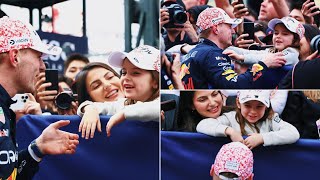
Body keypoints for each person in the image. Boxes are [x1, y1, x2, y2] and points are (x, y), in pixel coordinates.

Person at [0, 16, 79, 179]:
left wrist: (36, 149)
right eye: (38, 57)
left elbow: (8, 174)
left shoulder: (5, 107)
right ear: (15, 57)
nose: (43, 66)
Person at [180, 7, 286, 89]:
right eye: (229, 26)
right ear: (216, 29)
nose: (233, 31)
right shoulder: (212, 53)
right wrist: (263, 64)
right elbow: (235, 85)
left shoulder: (194, 52)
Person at [77, 45, 160, 139]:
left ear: (156, 81)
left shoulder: (161, 101)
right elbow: (94, 106)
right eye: (124, 72)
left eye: (136, 73)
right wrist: (90, 109)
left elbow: (157, 108)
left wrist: (124, 114)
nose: (125, 77)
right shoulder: (123, 104)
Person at [196, 90, 300, 149]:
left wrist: (262, 138)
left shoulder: (271, 119)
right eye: (247, 105)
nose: (253, 111)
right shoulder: (230, 117)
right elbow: (202, 125)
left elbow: (293, 133)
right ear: (238, 103)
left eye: (259, 106)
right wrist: (230, 131)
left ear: (266, 106)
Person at [224, 16, 304, 66]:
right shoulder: (274, 51)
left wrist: (242, 57)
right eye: (276, 33)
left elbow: (264, 58)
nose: (278, 36)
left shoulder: (293, 54)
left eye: (285, 34)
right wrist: (225, 48)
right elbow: (254, 53)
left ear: (296, 39)